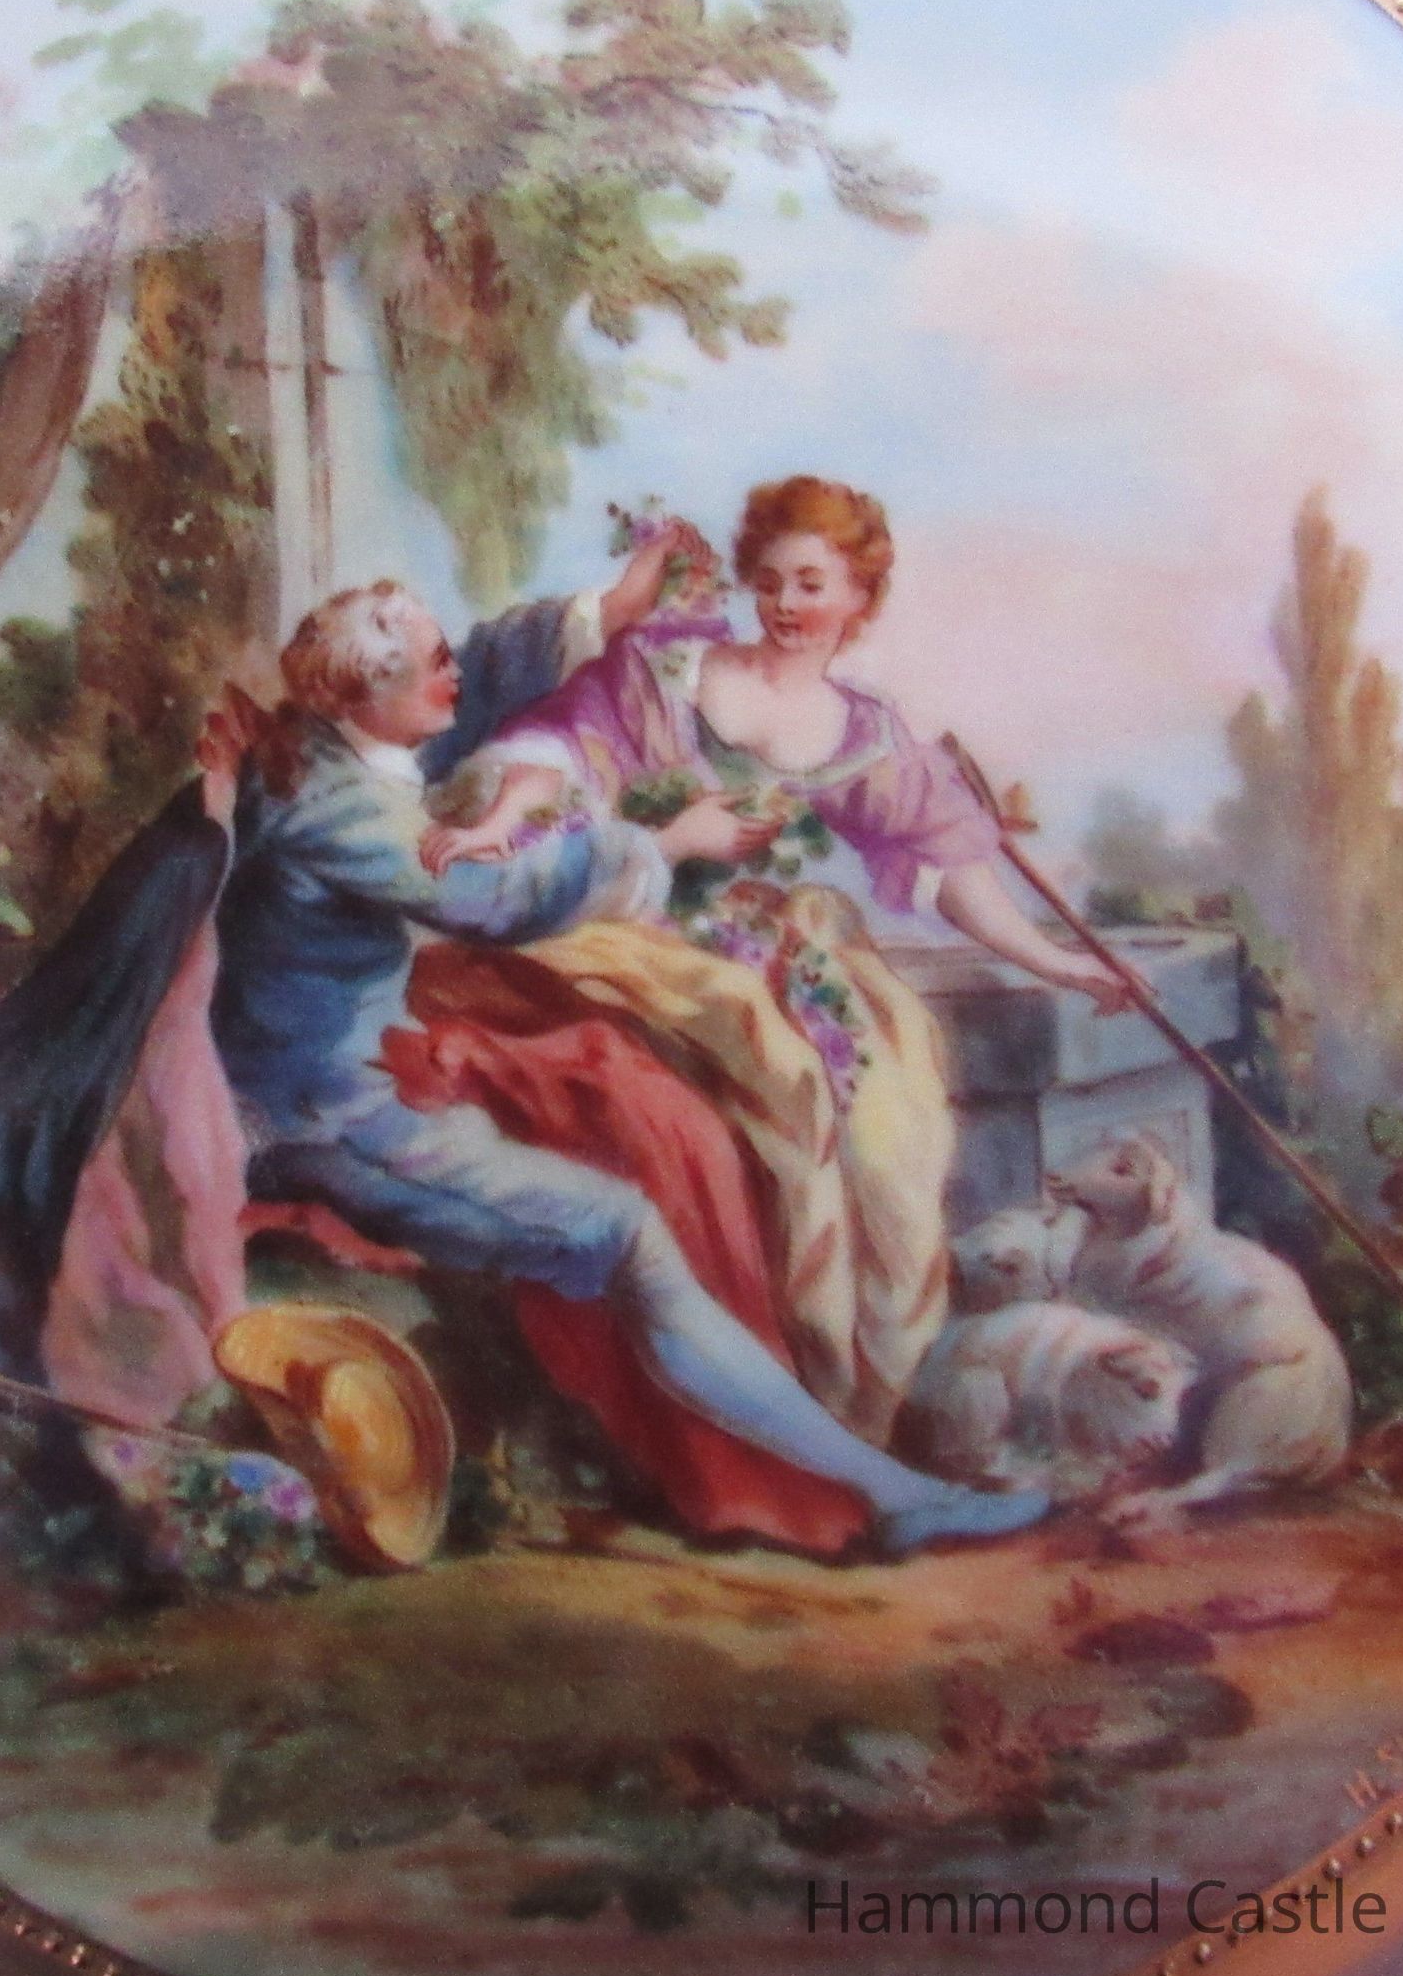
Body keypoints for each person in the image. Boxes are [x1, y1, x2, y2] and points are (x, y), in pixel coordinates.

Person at [0, 555, 1059, 1557]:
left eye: (446, 656)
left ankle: (880, 1487)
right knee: (629, 1230)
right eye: (431, 664)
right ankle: (887, 1497)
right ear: (370, 692)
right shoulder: (338, 808)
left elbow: (479, 696)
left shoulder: (327, 750)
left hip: (320, 1080)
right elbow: (494, 897)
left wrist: (607, 609)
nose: (456, 674)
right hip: (328, 1119)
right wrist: (662, 844)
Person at [409, 476, 1132, 1441]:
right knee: (780, 1070)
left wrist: (1056, 963)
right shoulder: (668, 671)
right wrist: (520, 821)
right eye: (773, 582)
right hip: (632, 916)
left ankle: (872, 1399)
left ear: (860, 599)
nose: (786, 605)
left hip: (748, 931)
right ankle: (806, 1377)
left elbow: (953, 866)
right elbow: (557, 755)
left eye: (812, 585)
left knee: (890, 1111)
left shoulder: (864, 733)